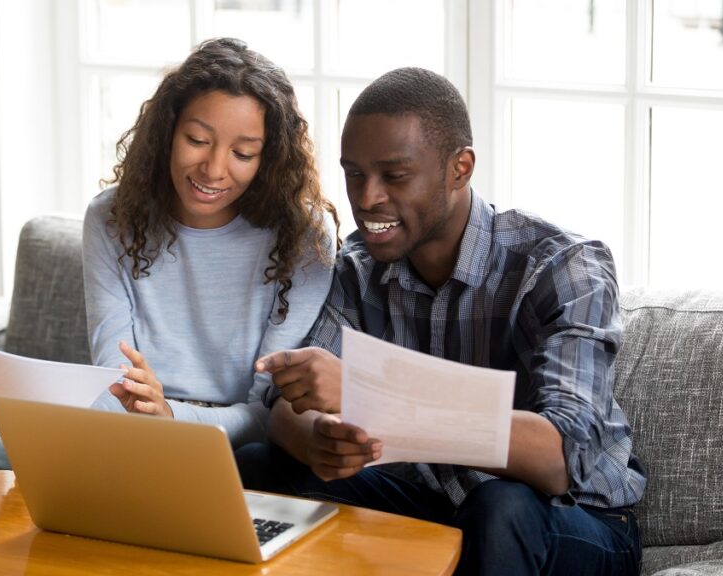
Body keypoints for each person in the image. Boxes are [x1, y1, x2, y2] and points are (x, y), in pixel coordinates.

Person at [236, 67, 647, 575]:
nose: (367, 199)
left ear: (460, 168)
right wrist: (317, 437)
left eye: (395, 175)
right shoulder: (359, 268)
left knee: (500, 507)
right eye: (355, 173)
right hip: (428, 503)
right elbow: (285, 410)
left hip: (569, 519)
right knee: (259, 463)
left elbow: (560, 458)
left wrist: (373, 394)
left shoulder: (562, 266)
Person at [82, 38, 339, 448]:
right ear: (167, 133)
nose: (214, 169)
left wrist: (169, 415)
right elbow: (115, 381)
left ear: (268, 158)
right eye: (197, 141)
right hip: (133, 433)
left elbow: (266, 413)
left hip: (239, 447)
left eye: (242, 153)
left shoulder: (305, 234)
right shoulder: (111, 218)